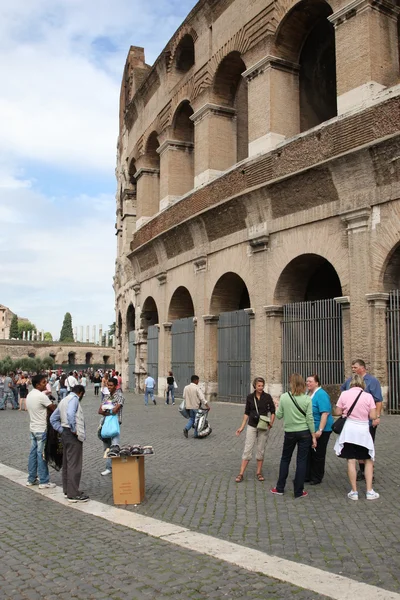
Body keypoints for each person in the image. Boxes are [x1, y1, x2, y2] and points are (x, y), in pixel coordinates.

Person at [334, 374, 379, 500]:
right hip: (363, 431)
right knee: (368, 460)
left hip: (349, 431)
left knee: (351, 460)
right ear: (362, 384)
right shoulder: (368, 396)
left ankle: (354, 491)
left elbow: (337, 412)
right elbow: (373, 416)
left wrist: (345, 411)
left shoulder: (344, 394)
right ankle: (369, 491)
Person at [271, 373, 316, 498]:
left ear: (291, 384)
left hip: (290, 432)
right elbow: (310, 418)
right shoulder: (307, 399)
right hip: (304, 432)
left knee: (285, 459)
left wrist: (277, 405)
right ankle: (298, 491)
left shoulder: (284, 397)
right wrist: (313, 435)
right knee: (301, 461)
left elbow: (279, 415)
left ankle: (280, 487)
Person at [341, 359, 382, 481]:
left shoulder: (372, 381)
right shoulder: (350, 380)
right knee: (357, 446)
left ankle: (370, 471)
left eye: (355, 367)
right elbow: (343, 389)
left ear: (363, 368)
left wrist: (377, 416)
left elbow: (378, 400)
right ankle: (362, 470)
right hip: (353, 421)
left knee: (367, 446)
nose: (353, 369)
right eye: (352, 367)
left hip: (368, 420)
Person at [50, 384, 89, 503]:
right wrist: (73, 429)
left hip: (65, 433)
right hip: (72, 435)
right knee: (74, 464)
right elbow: (71, 414)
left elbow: (53, 418)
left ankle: (67, 490)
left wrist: (61, 430)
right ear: (81, 393)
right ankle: (73, 493)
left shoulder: (63, 400)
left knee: (67, 462)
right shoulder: (74, 399)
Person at [235, 377, 275, 482]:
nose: (261, 388)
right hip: (252, 425)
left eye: (262, 386)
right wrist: (242, 427)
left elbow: (273, 411)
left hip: (263, 426)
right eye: (259, 386)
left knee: (260, 450)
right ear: (255, 386)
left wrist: (271, 423)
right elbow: (246, 412)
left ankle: (258, 472)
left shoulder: (267, 397)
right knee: (247, 449)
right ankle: (241, 473)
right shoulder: (250, 397)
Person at [26, 374, 56, 489]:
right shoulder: (41, 396)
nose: (46, 384)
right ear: (38, 384)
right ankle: (44, 481)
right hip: (41, 428)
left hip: (33, 428)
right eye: (44, 382)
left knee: (33, 454)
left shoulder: (30, 395)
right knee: (42, 454)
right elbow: (53, 409)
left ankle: (31, 478)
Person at [305, 374, 334, 485]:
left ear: (317, 383)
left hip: (322, 428)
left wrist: (320, 430)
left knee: (318, 453)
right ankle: (307, 475)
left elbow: (325, 413)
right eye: (307, 381)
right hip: (311, 428)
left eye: (310, 381)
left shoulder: (321, 394)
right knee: (309, 452)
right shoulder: (308, 393)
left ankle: (317, 476)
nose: (308, 383)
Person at [98, 377, 125, 476]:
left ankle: (115, 467)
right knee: (107, 447)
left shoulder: (120, 396)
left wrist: (107, 409)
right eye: (108, 385)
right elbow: (100, 411)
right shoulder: (106, 397)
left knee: (115, 446)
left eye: (111, 385)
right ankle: (109, 467)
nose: (109, 387)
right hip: (105, 423)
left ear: (116, 386)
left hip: (115, 424)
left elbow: (115, 410)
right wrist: (110, 409)